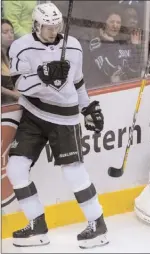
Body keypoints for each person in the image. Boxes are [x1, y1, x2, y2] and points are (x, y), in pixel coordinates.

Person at [6, 3, 107, 249]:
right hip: (34, 114)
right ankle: (37, 226)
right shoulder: (20, 47)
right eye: (47, 27)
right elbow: (20, 86)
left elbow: (78, 81)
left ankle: (98, 225)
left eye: (56, 26)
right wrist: (43, 74)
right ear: (36, 25)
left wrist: (87, 107)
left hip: (65, 118)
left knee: (73, 172)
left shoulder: (72, 46)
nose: (53, 32)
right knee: (16, 168)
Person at [1, 19, 20, 105]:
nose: (10, 35)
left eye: (12, 32)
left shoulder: (13, 54)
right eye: (5, 32)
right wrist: (14, 95)